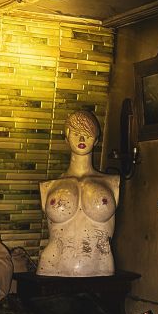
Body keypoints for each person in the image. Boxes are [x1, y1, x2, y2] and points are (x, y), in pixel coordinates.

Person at [37, 111, 120, 276]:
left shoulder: (112, 183)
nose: (82, 139)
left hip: (101, 269)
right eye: (76, 134)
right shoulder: (48, 186)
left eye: (87, 135)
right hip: (51, 268)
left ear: (96, 140)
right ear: (66, 138)